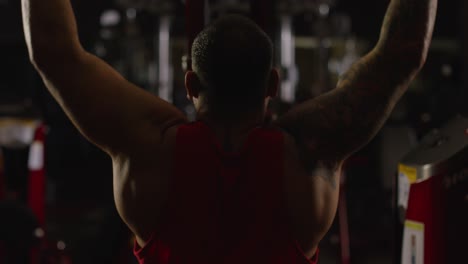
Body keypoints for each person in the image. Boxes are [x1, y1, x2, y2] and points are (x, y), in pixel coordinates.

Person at [21, 0, 437, 263]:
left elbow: (54, 53)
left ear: (190, 85)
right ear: (273, 85)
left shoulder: (148, 149)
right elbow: (401, 54)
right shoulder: (308, 152)